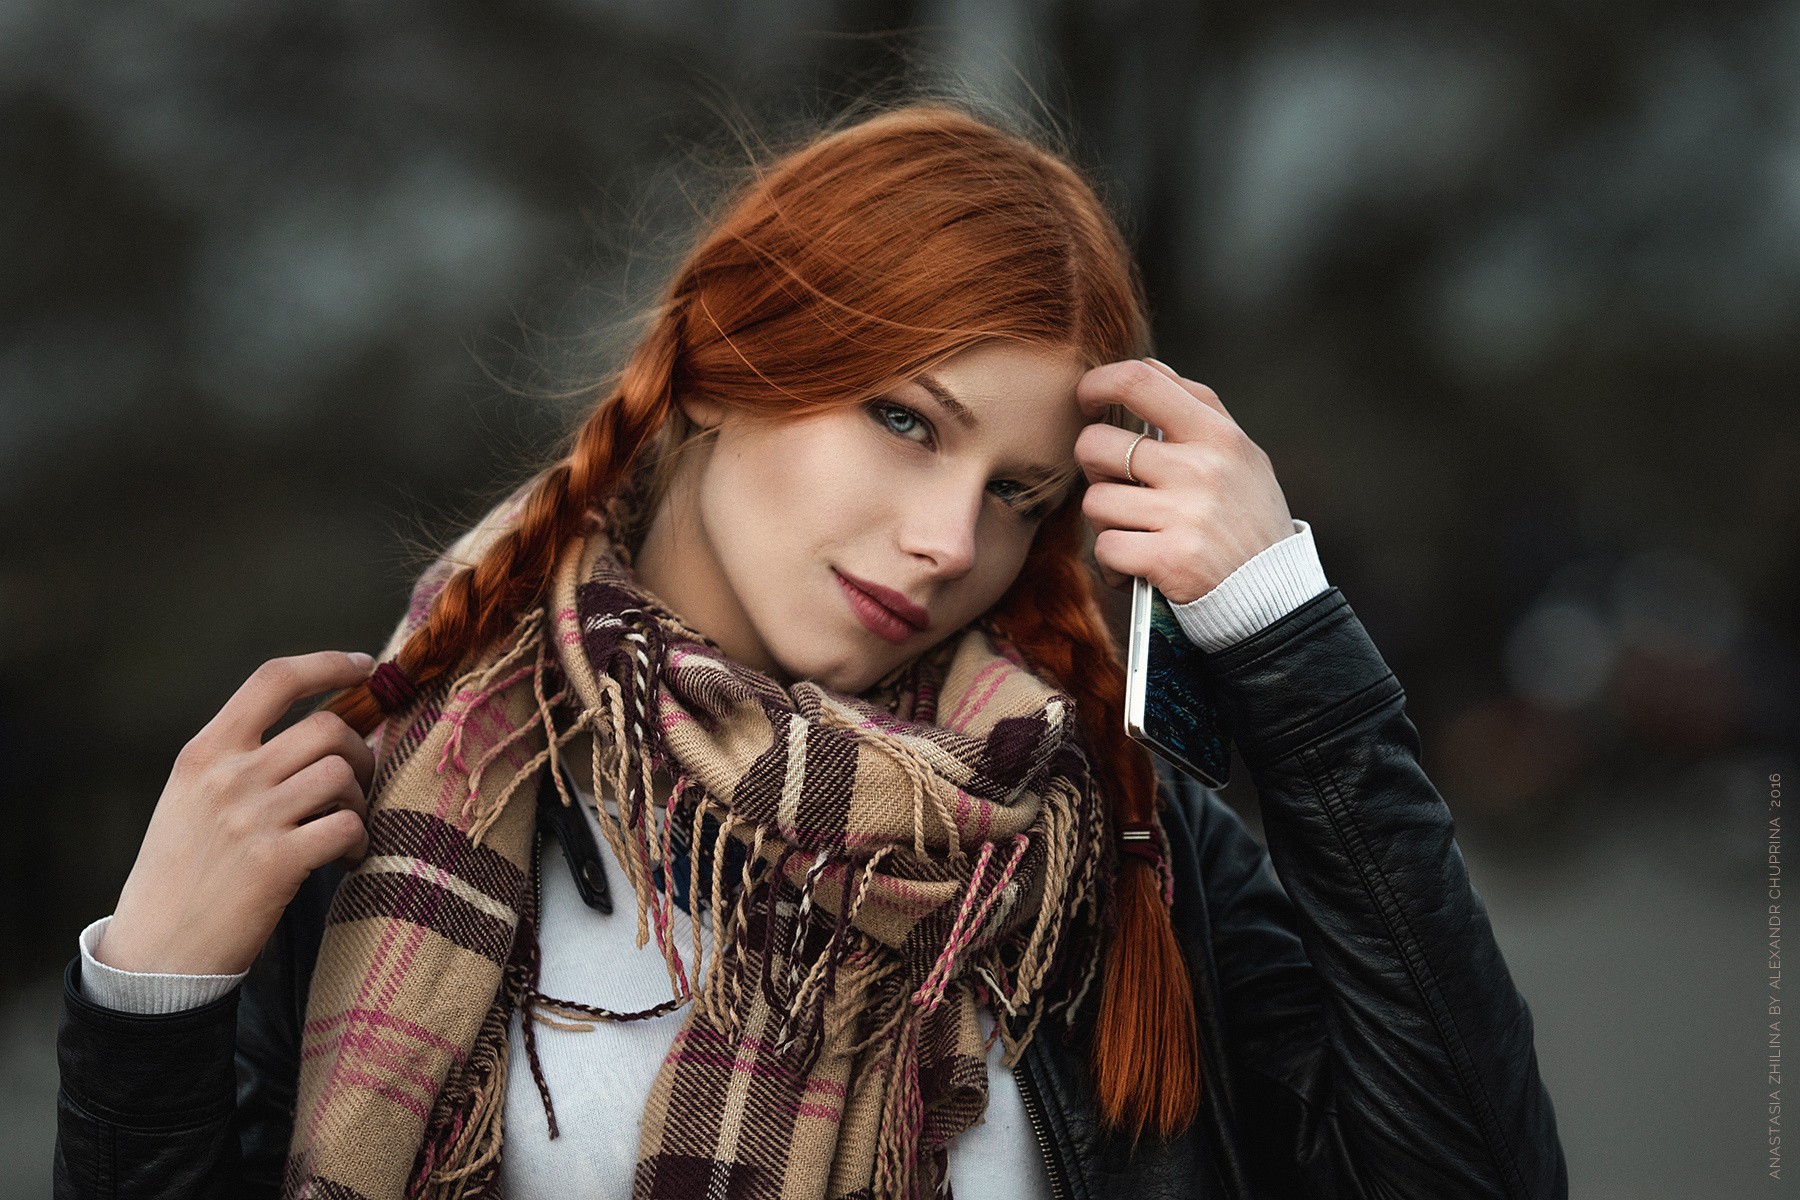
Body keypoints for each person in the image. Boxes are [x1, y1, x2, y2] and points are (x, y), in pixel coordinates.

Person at [54, 100, 1567, 1200]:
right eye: (906, 421)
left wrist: (1292, 650)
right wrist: (152, 1005)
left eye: (1015, 498)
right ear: (723, 360)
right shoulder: (389, 810)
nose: (945, 541)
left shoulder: (1089, 857)